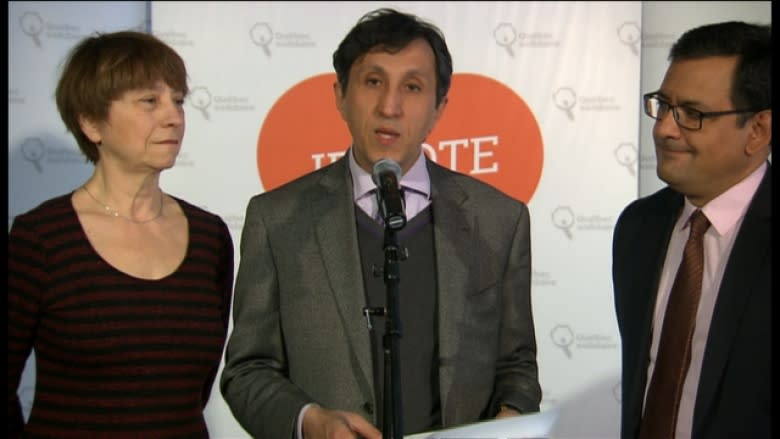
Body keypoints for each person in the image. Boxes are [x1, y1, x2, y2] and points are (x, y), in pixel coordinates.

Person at [220, 7, 542, 439]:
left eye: (412, 87)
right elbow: (247, 370)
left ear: (439, 107)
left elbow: (517, 365)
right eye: (373, 82)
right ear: (340, 95)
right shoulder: (277, 219)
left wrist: (507, 420)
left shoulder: (499, 219)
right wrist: (309, 421)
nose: (389, 106)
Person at [7, 31, 234, 438]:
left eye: (178, 100)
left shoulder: (209, 238)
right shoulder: (40, 238)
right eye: (150, 101)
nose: (173, 116)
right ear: (91, 122)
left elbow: (193, 390)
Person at [612, 21, 771, 439]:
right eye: (663, 105)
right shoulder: (637, 227)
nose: (664, 128)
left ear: (758, 131)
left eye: (692, 115)